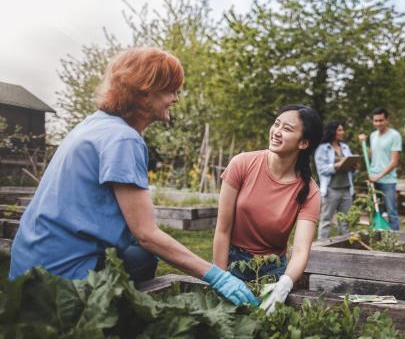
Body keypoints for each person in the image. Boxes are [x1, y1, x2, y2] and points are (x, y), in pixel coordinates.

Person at [8, 47, 257, 307]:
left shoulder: (94, 124)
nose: (175, 99)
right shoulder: (124, 139)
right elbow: (146, 233)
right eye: (171, 90)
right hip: (61, 280)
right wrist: (217, 276)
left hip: (29, 267)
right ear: (145, 91)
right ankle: (103, 315)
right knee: (146, 255)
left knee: (139, 254)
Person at [212, 104, 322, 313]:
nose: (276, 132)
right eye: (276, 124)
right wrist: (220, 277)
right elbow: (222, 229)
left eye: (287, 129)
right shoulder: (242, 164)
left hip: (272, 271)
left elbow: (300, 251)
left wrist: (285, 284)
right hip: (232, 261)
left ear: (304, 143)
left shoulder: (310, 192)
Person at [358, 107, 402, 230]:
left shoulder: (395, 135)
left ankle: (396, 242)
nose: (378, 123)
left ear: (387, 119)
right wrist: (364, 144)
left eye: (381, 120)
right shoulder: (373, 135)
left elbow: (394, 161)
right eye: (375, 121)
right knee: (374, 211)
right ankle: (377, 239)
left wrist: (379, 176)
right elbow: (372, 155)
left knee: (391, 212)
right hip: (373, 180)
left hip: (388, 181)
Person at [315, 121, 357, 239]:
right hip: (331, 190)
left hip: (347, 189)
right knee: (326, 220)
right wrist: (336, 166)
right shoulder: (323, 149)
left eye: (342, 130)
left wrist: (353, 167)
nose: (342, 132)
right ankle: (321, 247)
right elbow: (322, 169)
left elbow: (351, 169)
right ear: (332, 132)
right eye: (340, 130)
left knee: (345, 221)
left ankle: (345, 246)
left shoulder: (345, 147)